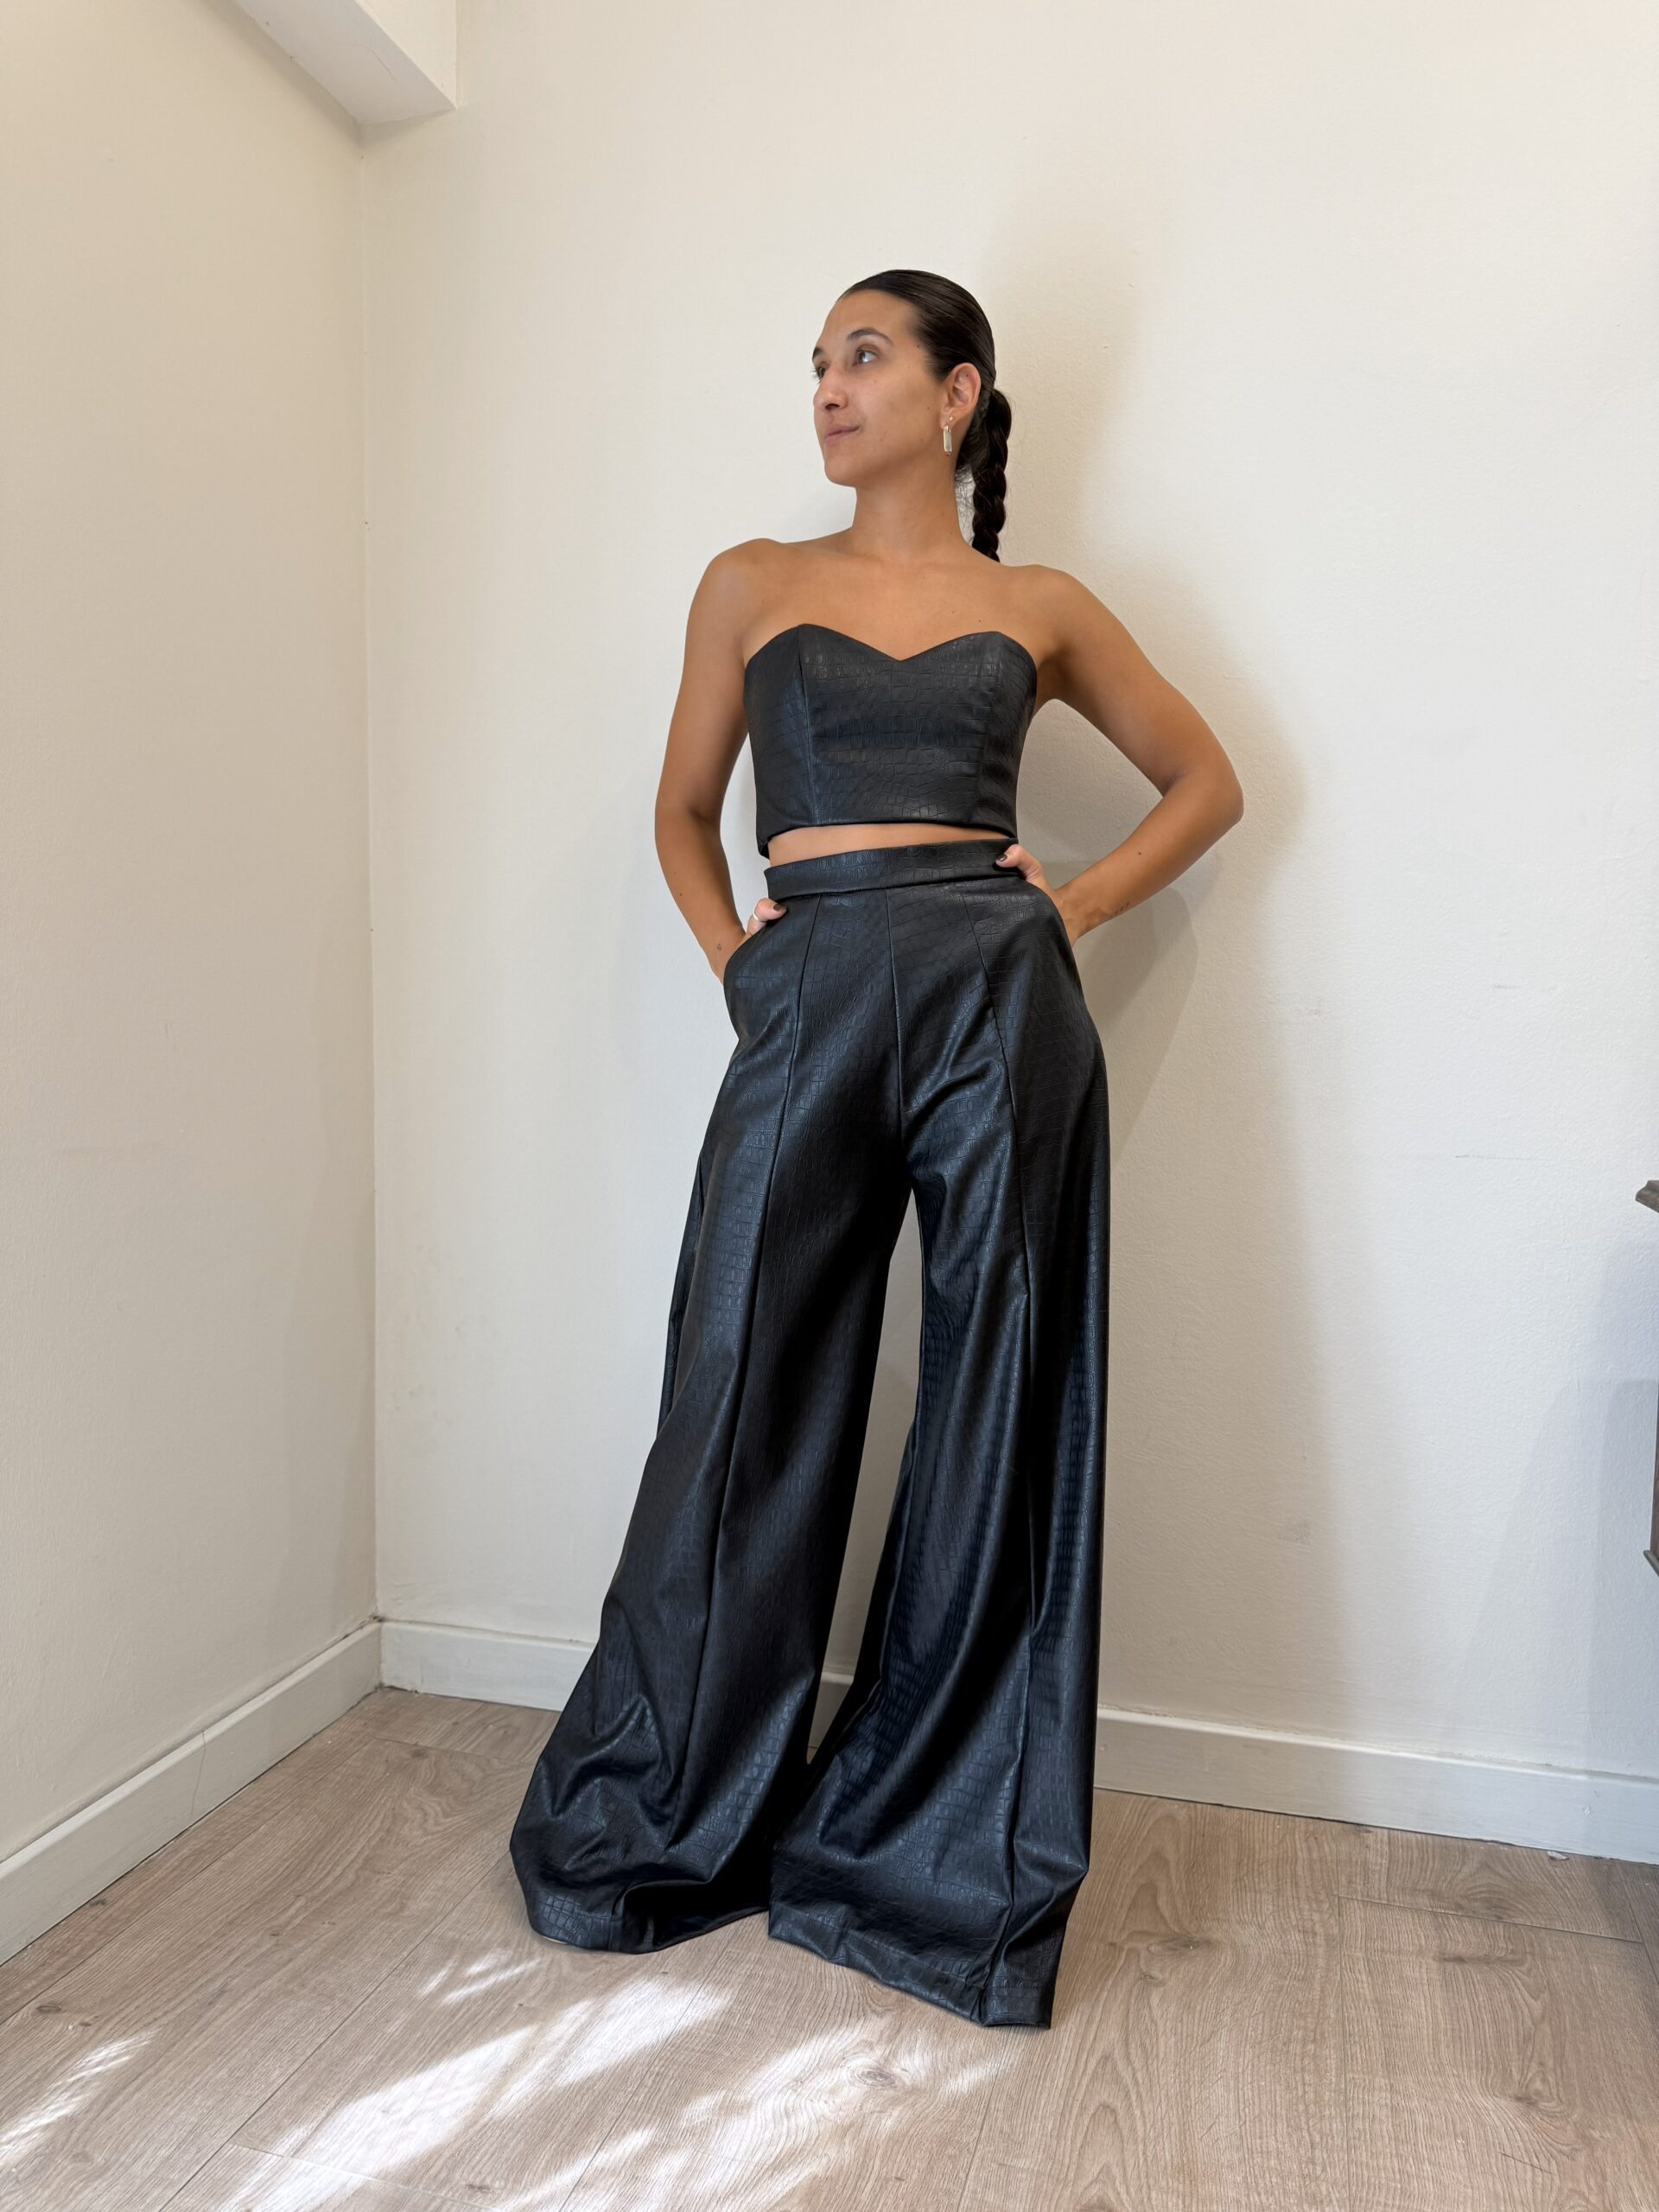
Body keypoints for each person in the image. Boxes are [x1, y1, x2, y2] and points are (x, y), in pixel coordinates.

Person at [510, 267, 1244, 2030]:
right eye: (818, 364)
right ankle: (671, 1811)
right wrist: (742, 966)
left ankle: (927, 1853)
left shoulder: (1042, 604)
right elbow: (684, 811)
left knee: (1002, 1400)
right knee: (742, 1386)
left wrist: (1067, 908)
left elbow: (1208, 780)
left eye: (864, 355)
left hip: (997, 993)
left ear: (955, 392)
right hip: (812, 982)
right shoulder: (751, 582)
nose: (829, 388)